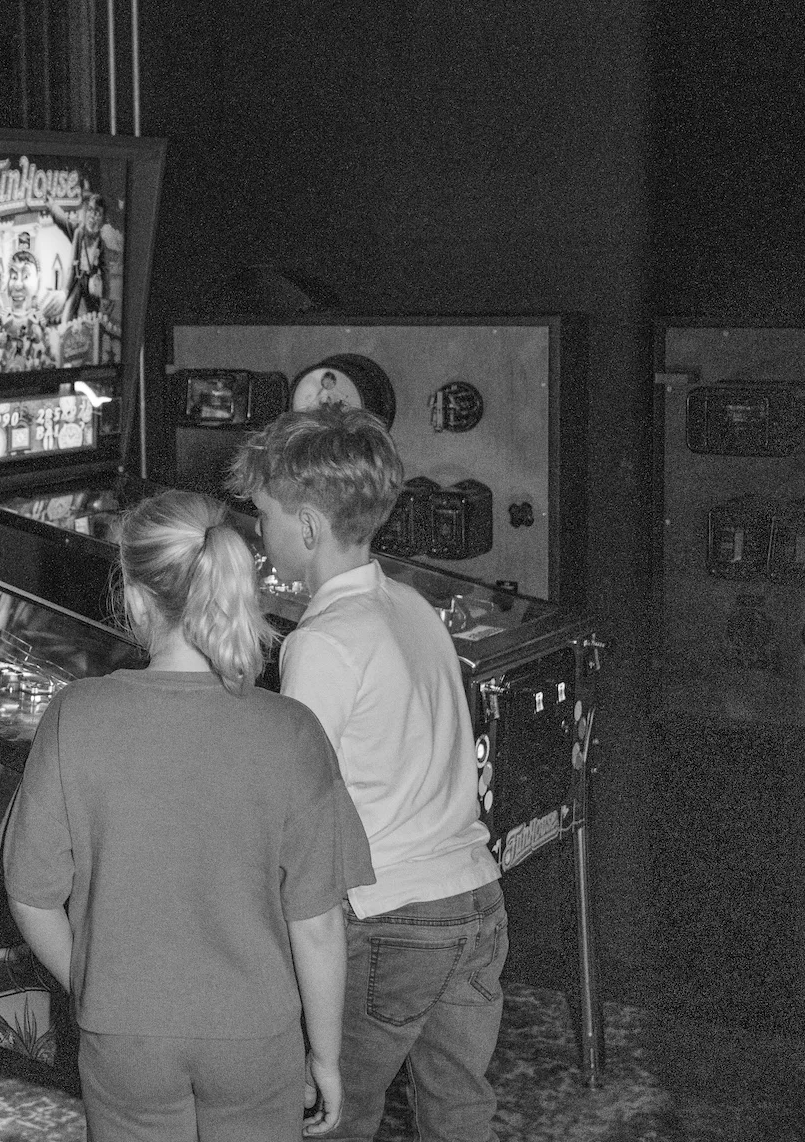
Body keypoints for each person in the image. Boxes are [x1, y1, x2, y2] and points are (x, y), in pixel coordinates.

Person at [4, 489, 374, 1142]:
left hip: (124, 1033)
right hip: (256, 1034)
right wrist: (325, 1056)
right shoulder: (291, 731)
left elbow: (30, 894)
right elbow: (317, 927)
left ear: (138, 597)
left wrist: (93, 987)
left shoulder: (76, 714)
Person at [229, 405, 507, 1142]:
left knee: (336, 1113)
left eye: (265, 517)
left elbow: (300, 805)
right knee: (458, 1108)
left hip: (391, 918)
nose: (261, 534)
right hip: (474, 901)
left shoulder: (322, 640)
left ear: (309, 528)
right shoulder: (412, 606)